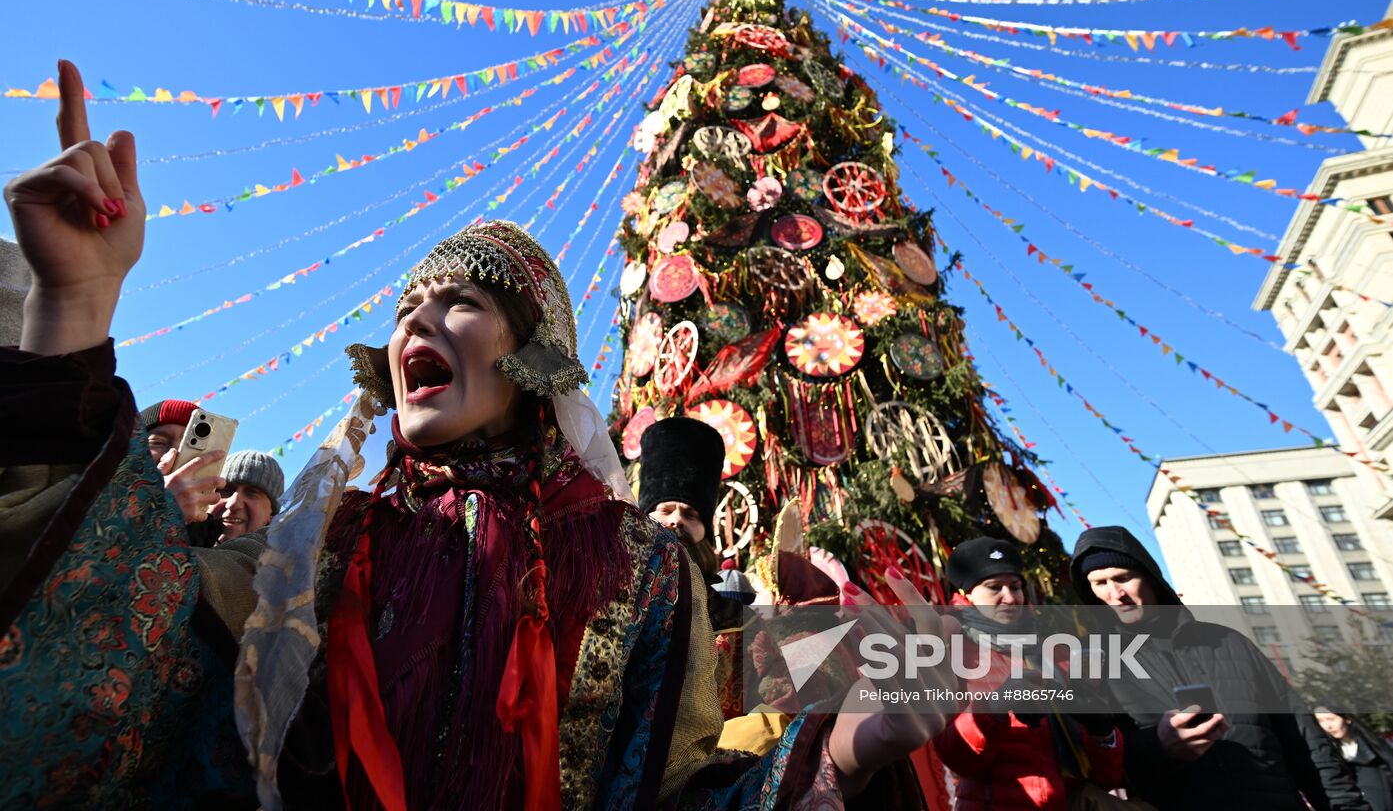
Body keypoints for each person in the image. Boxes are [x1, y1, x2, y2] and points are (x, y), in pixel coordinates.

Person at [0, 60, 955, 808]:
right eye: (406, 307)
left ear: (533, 362)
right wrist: (73, 308)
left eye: (455, 301)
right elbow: (125, 664)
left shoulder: (643, 571)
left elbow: (670, 795)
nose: (413, 322)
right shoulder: (315, 549)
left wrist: (839, 751)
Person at [1071, 526, 1367, 811]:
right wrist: (1158, 747)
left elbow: (1304, 740)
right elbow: (1093, 762)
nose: (1115, 593)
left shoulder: (1229, 642)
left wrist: (1346, 805)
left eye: (1123, 578)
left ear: (1150, 578)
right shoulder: (1098, 663)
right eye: (1100, 584)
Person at [933, 537, 1125, 811]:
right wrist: (995, 708)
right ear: (968, 595)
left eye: (1015, 586)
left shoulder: (1054, 649)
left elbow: (1107, 777)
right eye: (994, 588)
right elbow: (957, 759)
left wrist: (1103, 733)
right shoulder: (953, 653)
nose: (1010, 598)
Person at [638, 415, 743, 631]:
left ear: (706, 531)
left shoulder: (733, 615)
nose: (676, 520)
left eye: (690, 515)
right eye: (665, 510)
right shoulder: (607, 594)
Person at [140, 397, 229, 534]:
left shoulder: (212, 537)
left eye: (187, 445)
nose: (173, 453)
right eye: (158, 442)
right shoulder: (101, 500)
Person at [1315, 705, 1393, 811]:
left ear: (1347, 719)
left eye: (1331, 719)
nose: (1327, 726)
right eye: (1321, 721)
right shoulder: (1329, 754)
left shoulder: (1373, 747)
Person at [209, 449, 284, 543]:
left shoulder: (286, 557)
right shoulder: (185, 539)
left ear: (272, 516)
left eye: (252, 493)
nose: (232, 504)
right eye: (226, 490)